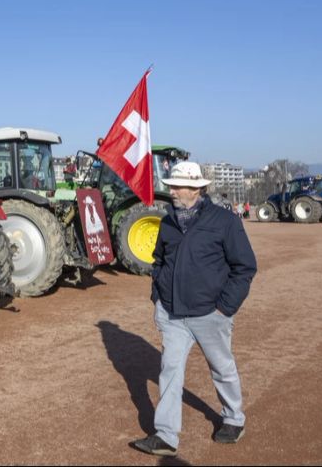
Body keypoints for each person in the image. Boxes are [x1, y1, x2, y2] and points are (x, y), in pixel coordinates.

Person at [131, 161, 257, 457]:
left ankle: (233, 419)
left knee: (221, 368)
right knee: (170, 370)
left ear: (197, 189)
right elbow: (159, 261)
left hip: (210, 313)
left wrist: (224, 308)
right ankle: (165, 434)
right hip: (173, 314)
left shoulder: (224, 221)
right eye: (171, 185)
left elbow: (245, 267)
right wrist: (158, 299)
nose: (172, 190)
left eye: (178, 186)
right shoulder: (167, 222)